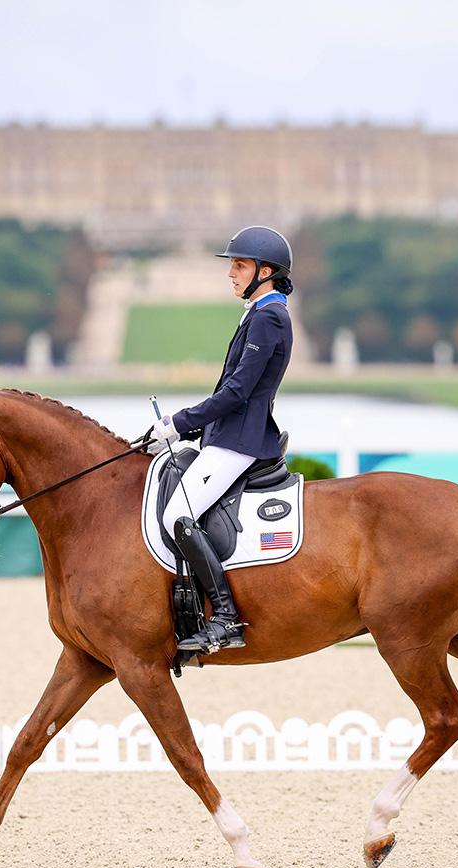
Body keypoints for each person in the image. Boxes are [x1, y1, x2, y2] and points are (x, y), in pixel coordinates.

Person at [148, 226, 295, 654]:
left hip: (240, 442)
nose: (231, 273)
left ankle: (227, 617)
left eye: (239, 265)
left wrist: (178, 422)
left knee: (180, 515)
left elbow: (237, 393)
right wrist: (190, 428)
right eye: (232, 264)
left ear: (266, 271)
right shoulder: (258, 310)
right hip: (225, 434)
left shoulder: (269, 315)